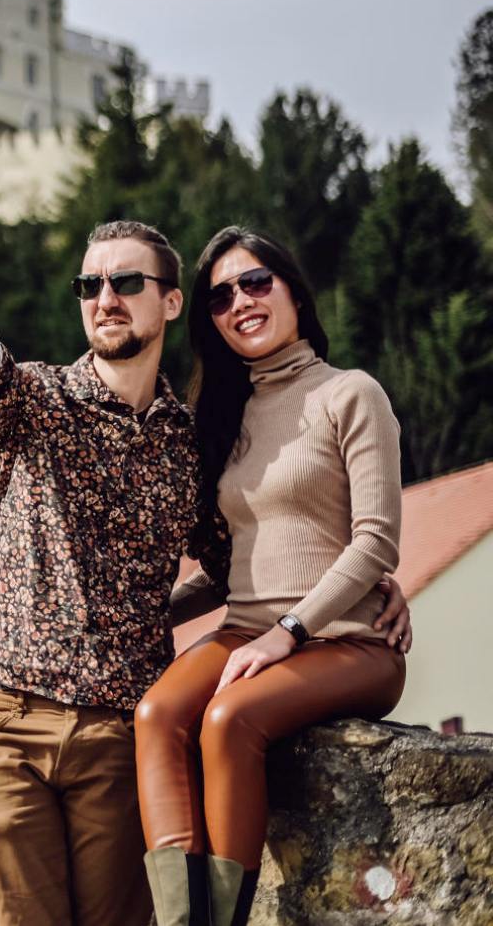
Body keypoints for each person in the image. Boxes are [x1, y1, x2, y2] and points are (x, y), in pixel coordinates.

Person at [0, 193, 408, 926]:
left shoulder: (190, 440)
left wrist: (367, 585)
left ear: (170, 302)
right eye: (90, 286)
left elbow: (238, 563)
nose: (105, 299)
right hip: (9, 718)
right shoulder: (36, 400)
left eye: (126, 283)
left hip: (116, 732)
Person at [133, 228, 409, 926]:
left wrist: (289, 630)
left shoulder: (351, 393)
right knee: (157, 714)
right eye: (221, 295)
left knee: (228, 719)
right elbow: (234, 570)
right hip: (245, 629)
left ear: (291, 289)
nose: (241, 301)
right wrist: (143, 610)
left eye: (256, 281)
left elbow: (375, 542)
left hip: (348, 641)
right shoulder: (225, 418)